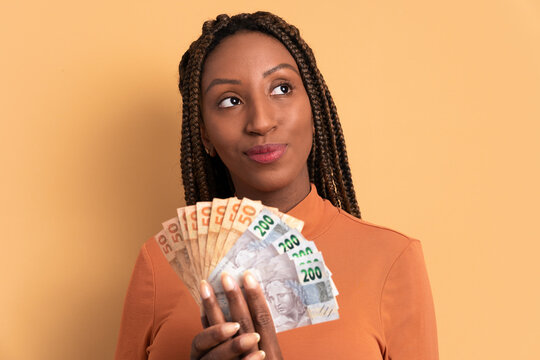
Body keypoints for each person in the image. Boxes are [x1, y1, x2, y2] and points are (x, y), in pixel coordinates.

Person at [115, 11, 439, 359]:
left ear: (314, 106)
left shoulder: (391, 259)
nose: (261, 121)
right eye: (230, 101)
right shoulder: (157, 265)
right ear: (205, 133)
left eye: (281, 88)